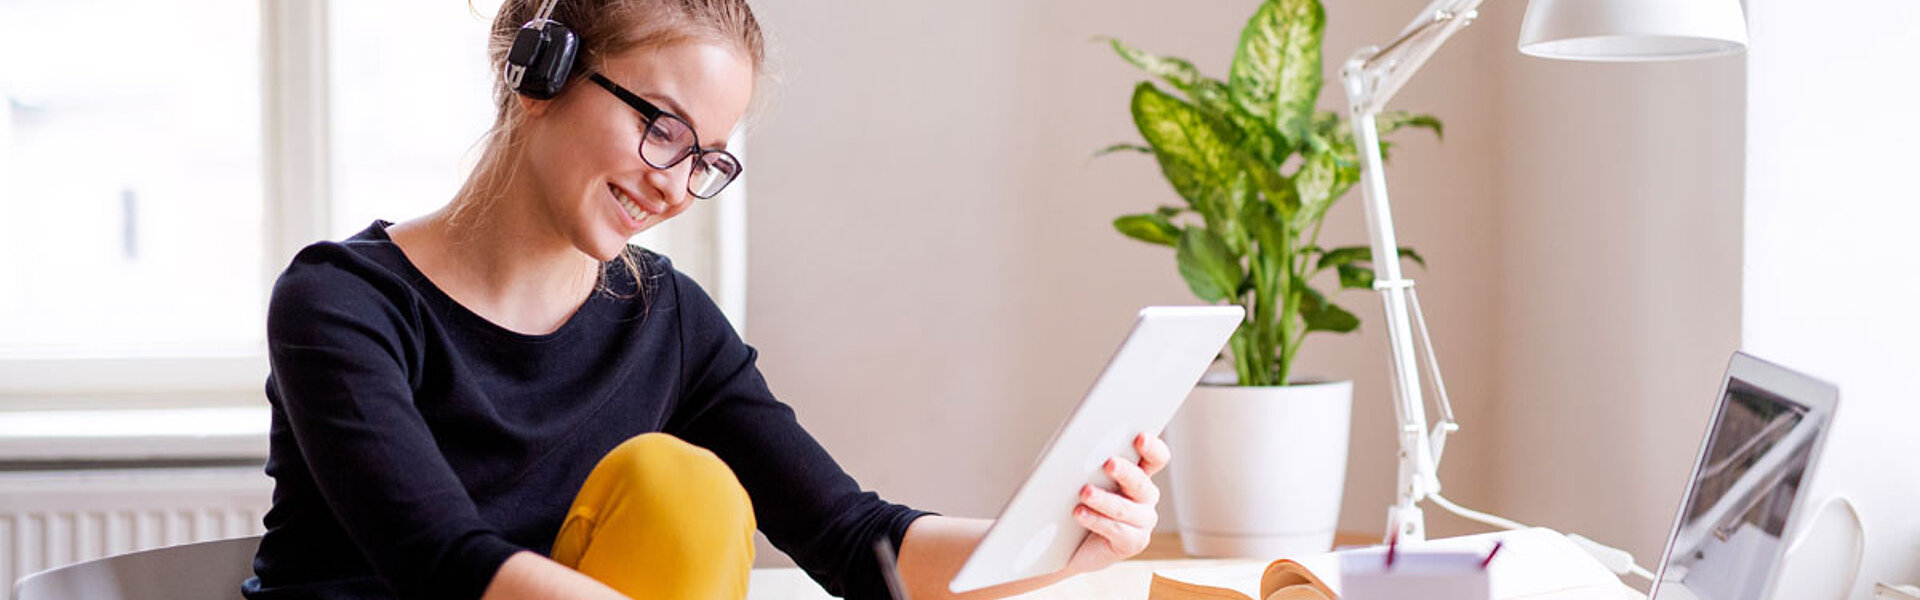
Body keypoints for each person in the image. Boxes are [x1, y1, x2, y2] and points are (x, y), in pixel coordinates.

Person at [241, 1, 1170, 599]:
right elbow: (441, 560)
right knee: (680, 487)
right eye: (663, 127)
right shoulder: (341, 303)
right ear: (541, 73)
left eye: (707, 158)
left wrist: (1054, 543)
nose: (677, 184)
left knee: (683, 492)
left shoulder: (664, 317)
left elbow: (854, 538)